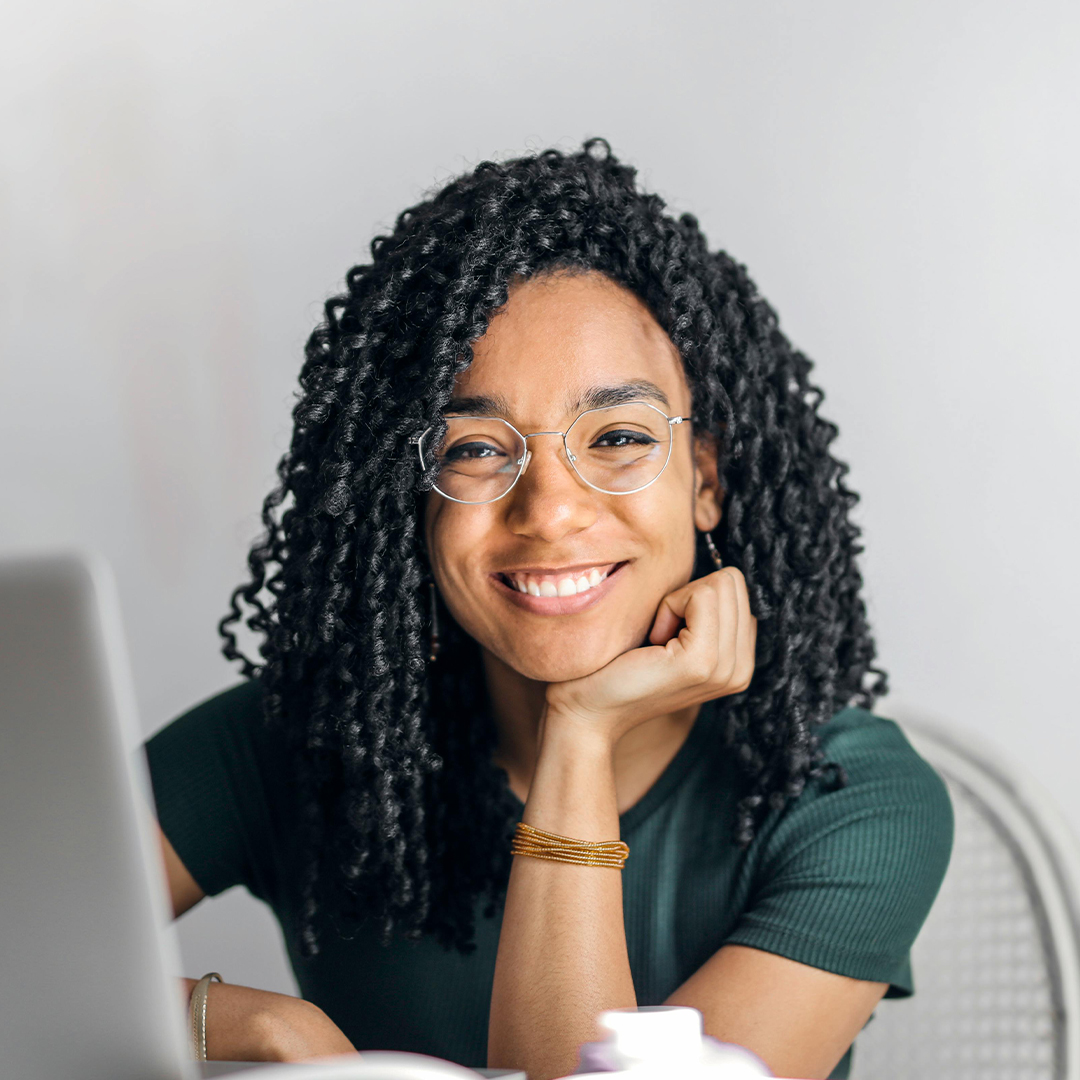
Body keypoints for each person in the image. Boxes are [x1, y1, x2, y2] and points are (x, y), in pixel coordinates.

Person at [146, 140, 953, 1080]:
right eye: (476, 450)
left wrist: (580, 733)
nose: (552, 510)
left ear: (707, 479)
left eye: (616, 436)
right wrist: (245, 1026)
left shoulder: (846, 799)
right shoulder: (302, 739)